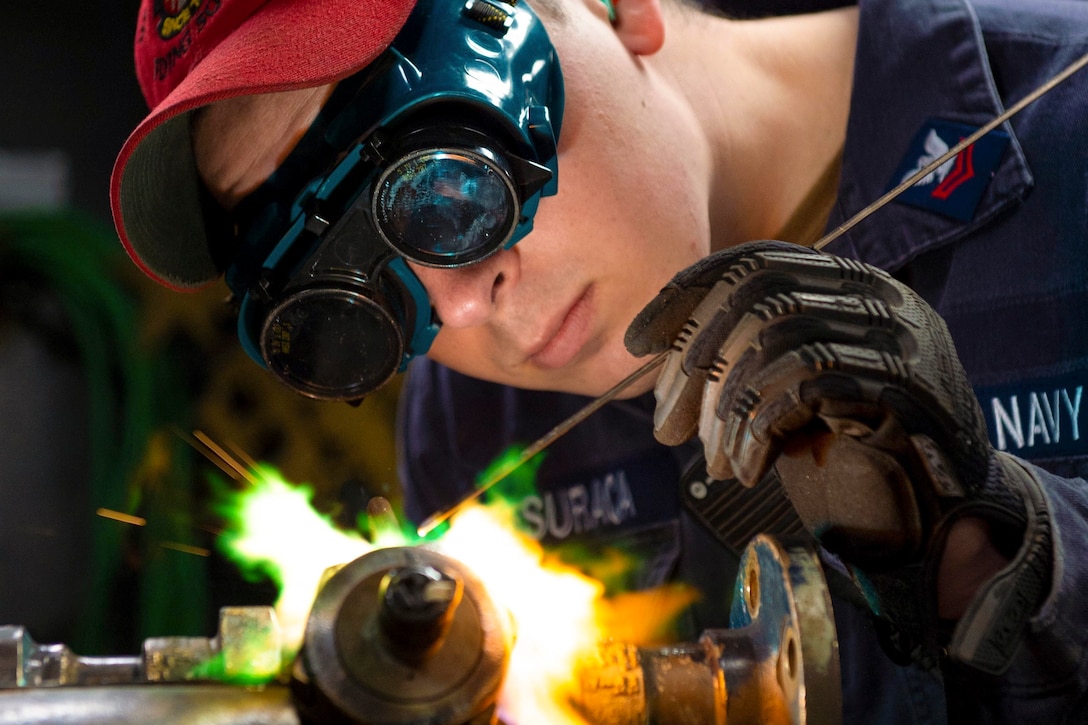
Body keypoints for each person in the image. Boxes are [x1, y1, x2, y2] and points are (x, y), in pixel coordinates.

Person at [110, 0, 1088, 721]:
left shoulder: (1067, 118)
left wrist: (982, 545)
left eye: (449, 180)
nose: (457, 303)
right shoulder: (468, 421)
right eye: (361, 286)